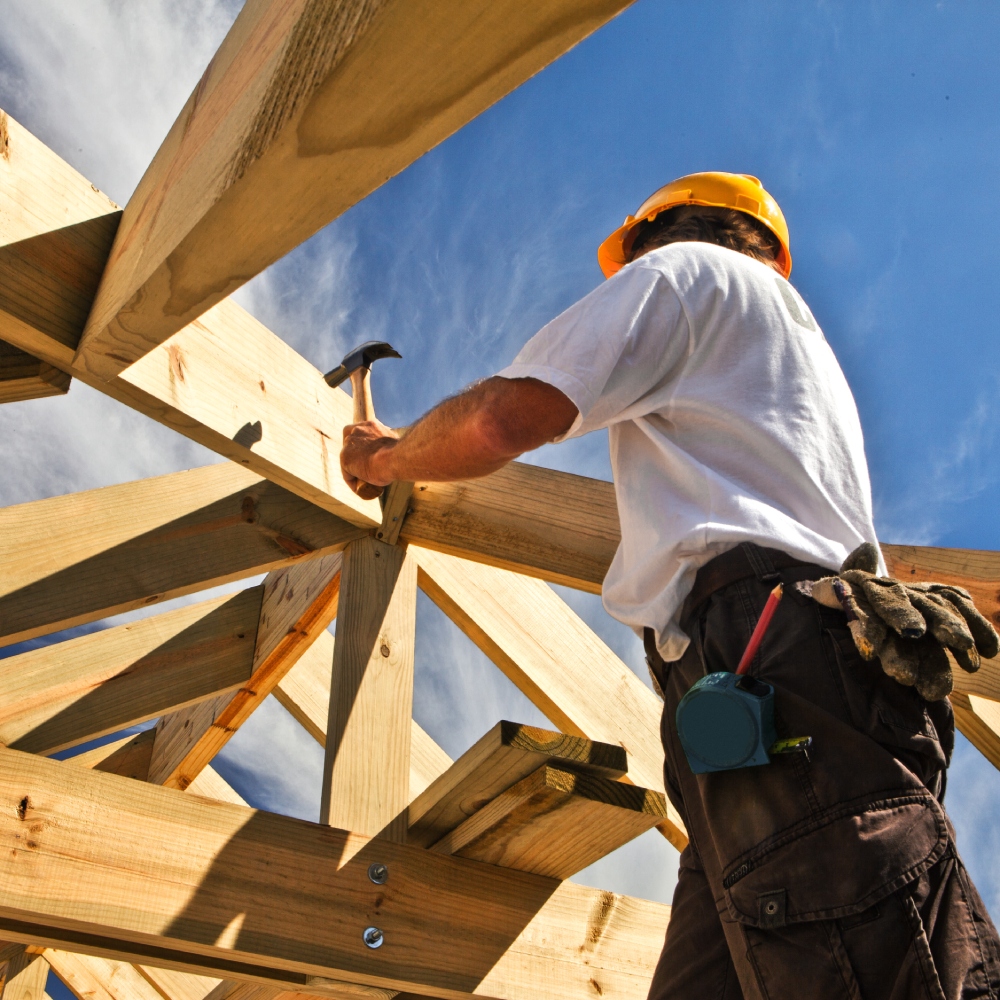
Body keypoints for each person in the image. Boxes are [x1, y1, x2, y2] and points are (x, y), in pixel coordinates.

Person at [339, 172, 1000, 998]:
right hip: (771, 698)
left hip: (771, 669)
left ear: (658, 236)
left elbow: (497, 419)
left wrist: (385, 457)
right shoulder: (788, 352)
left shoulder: (687, 273)